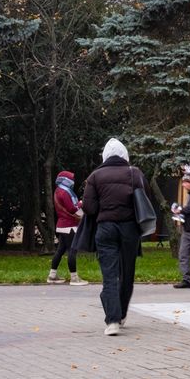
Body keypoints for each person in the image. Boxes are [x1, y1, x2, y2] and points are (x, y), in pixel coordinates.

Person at [82, 138, 148, 337]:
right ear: (124, 154)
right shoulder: (134, 173)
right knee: (127, 272)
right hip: (129, 229)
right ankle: (122, 314)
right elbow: (145, 198)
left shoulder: (95, 176)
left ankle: (112, 321)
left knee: (109, 275)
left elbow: (89, 207)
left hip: (106, 228)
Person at [49, 170, 89, 285]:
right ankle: (74, 278)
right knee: (73, 250)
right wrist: (81, 203)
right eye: (71, 179)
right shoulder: (65, 192)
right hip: (69, 225)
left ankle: (52, 275)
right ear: (65, 180)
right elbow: (72, 208)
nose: (73, 181)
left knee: (60, 250)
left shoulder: (58, 191)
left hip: (62, 225)